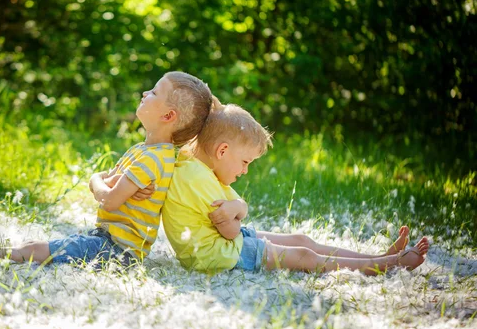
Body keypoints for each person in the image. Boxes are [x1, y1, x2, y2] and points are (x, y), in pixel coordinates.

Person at [0, 71, 214, 267]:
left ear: (168, 116)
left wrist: (97, 182)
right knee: (39, 247)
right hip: (108, 240)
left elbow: (108, 198)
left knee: (34, 250)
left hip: (118, 252)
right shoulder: (149, 152)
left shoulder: (152, 158)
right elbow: (110, 183)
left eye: (155, 92)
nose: (145, 93)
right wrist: (104, 181)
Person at [162, 101, 429, 275]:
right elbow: (231, 232)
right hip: (219, 255)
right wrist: (236, 210)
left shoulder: (202, 169)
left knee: (302, 240)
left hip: (223, 241)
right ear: (222, 150)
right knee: (303, 255)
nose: (245, 170)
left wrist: (237, 207)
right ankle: (386, 265)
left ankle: (380, 255)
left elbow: (240, 207)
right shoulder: (195, 179)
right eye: (245, 162)